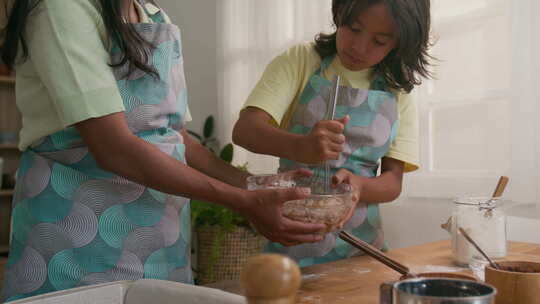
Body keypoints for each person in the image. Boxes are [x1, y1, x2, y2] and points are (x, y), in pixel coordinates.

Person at [0, 0, 327, 301]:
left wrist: (255, 185)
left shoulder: (155, 17)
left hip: (158, 242)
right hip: (75, 240)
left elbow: (175, 137)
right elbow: (114, 148)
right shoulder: (60, 9)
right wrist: (242, 201)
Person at [233, 0, 433, 267]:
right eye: (353, 28)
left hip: (362, 249)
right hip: (292, 241)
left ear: (399, 43)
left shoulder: (398, 90)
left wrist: (359, 186)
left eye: (379, 41)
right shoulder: (302, 60)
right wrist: (301, 146)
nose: (359, 47)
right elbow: (246, 131)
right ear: (340, 14)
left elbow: (392, 182)